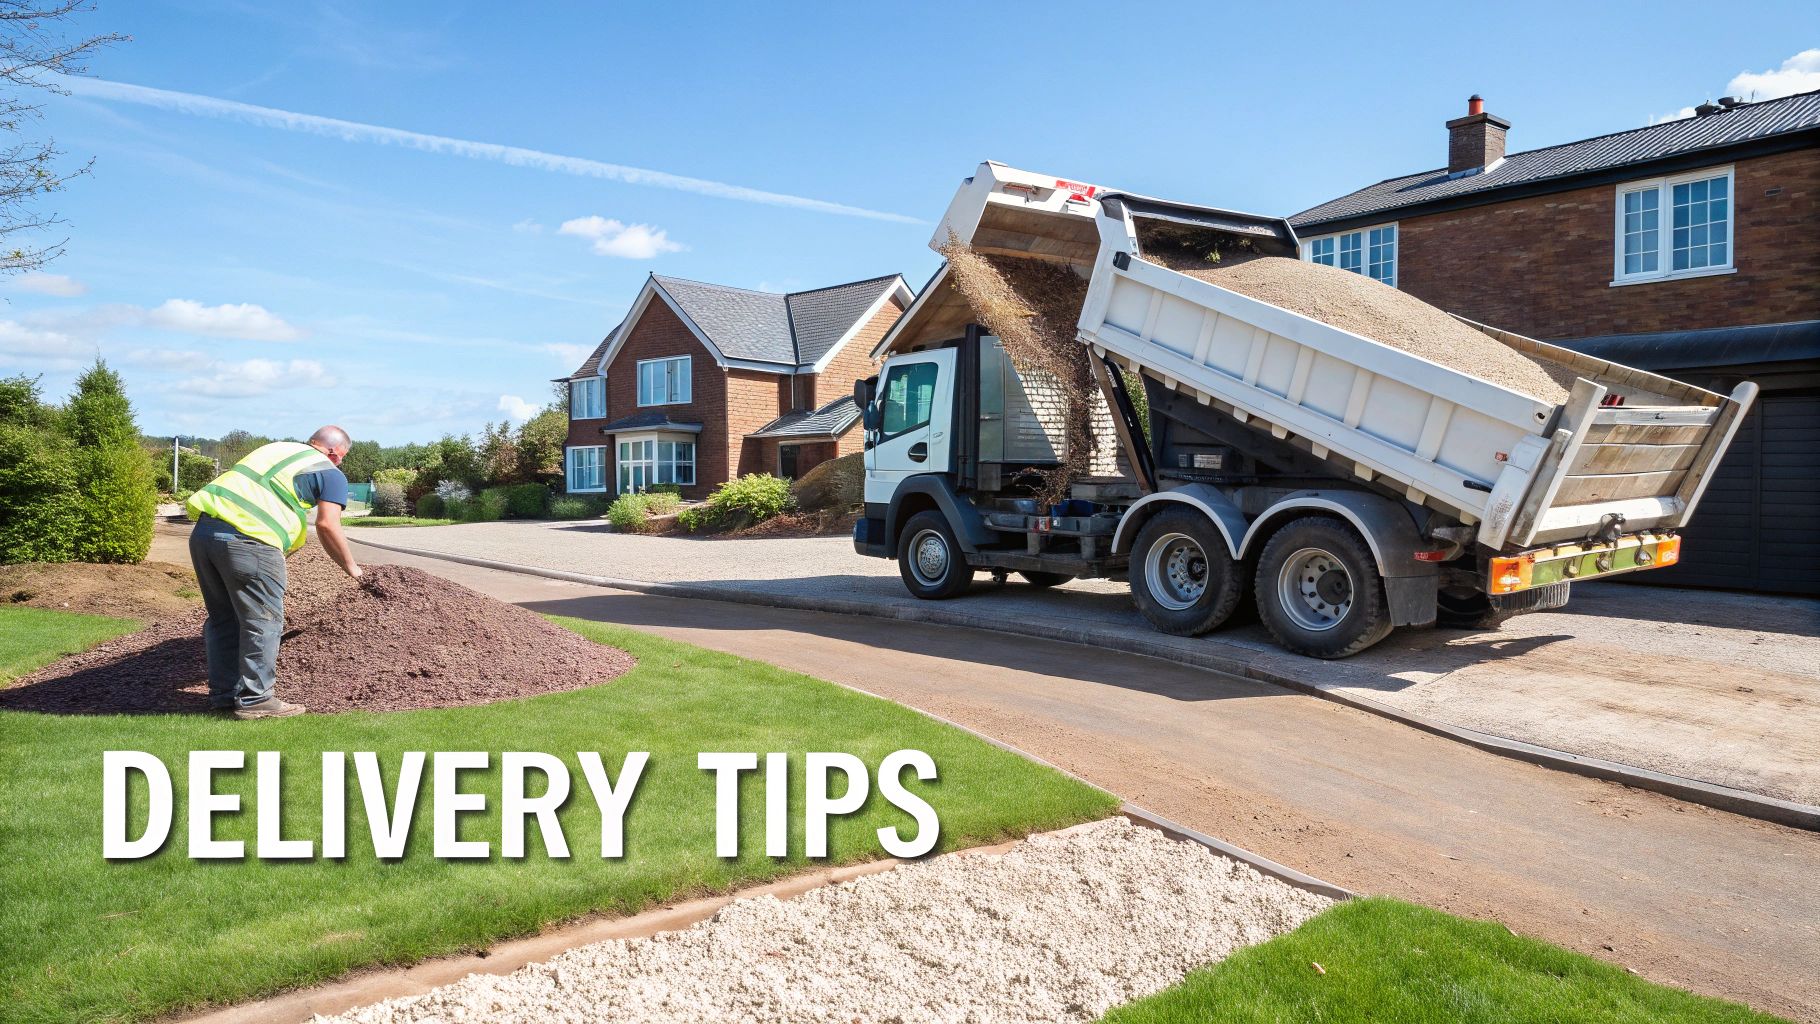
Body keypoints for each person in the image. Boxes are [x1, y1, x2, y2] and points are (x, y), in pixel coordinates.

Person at [185, 426, 365, 718]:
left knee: (223, 620)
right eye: (341, 457)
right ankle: (256, 700)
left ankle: (224, 695)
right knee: (263, 622)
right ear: (333, 451)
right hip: (250, 541)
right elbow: (327, 525)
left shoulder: (275, 450)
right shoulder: (330, 472)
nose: (340, 464)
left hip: (205, 536)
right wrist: (352, 568)